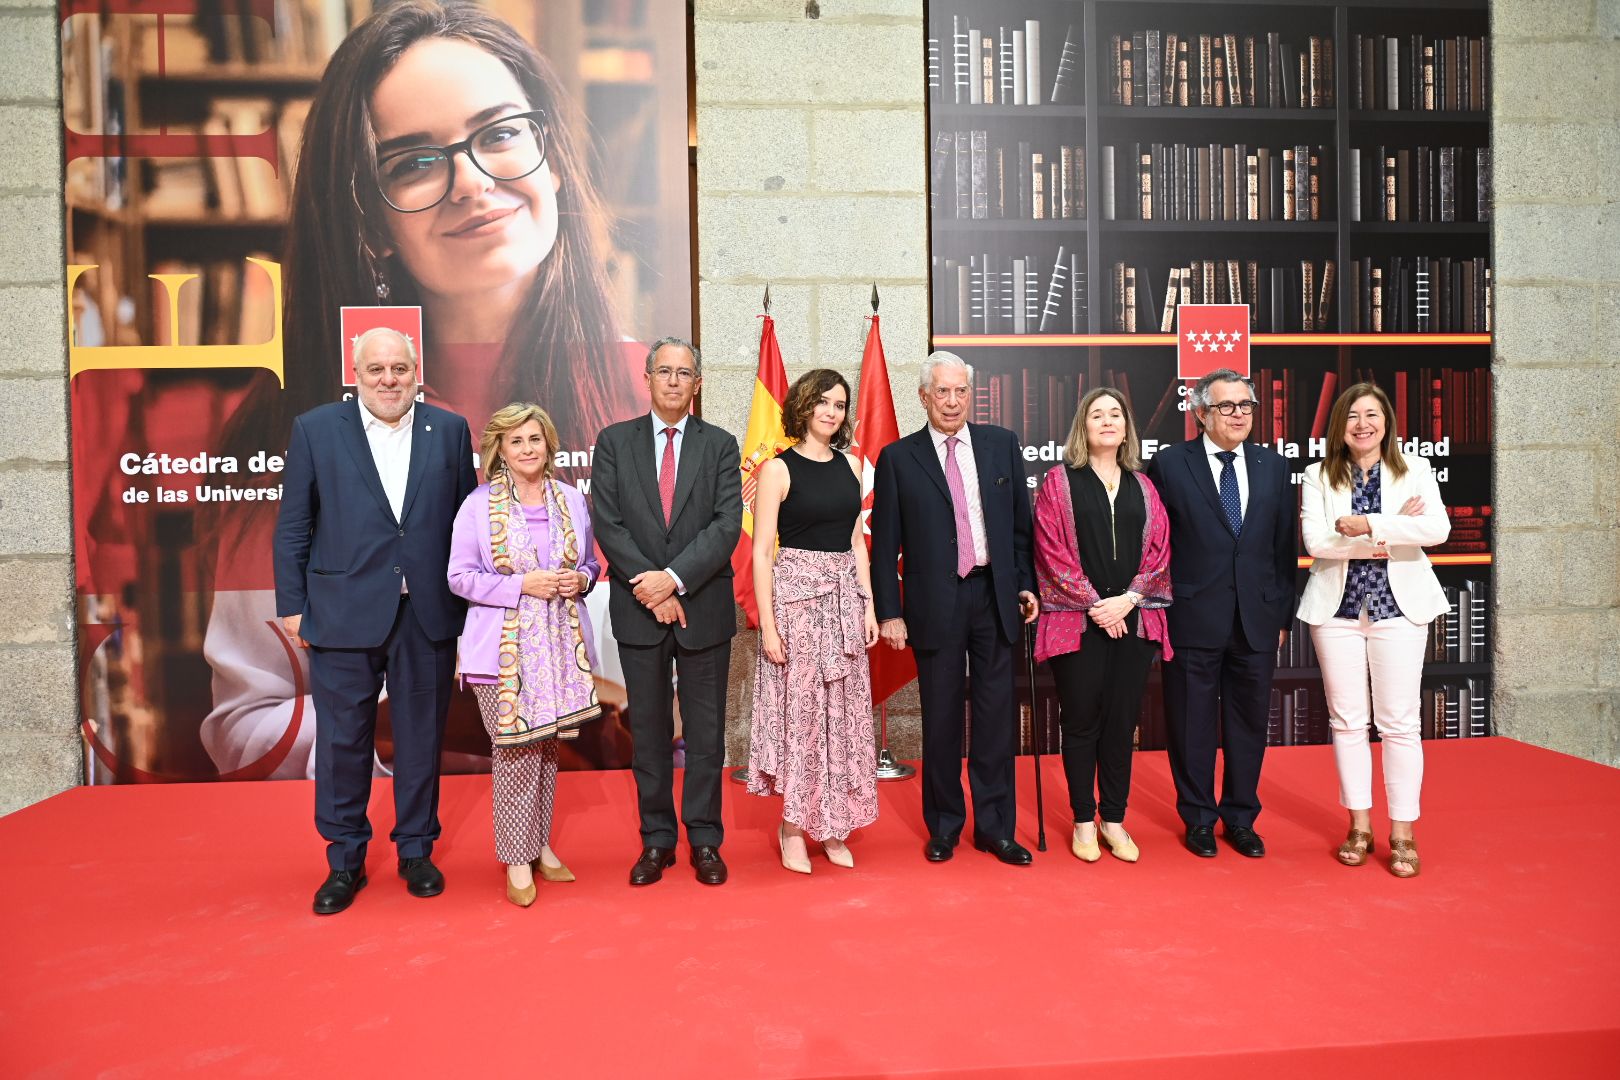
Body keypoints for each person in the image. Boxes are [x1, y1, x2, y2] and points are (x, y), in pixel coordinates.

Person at [203, 0, 644, 780]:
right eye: (412, 162)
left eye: (502, 133)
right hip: (393, 836)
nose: (472, 183)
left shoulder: (649, 399)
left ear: (552, 153)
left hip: (600, 839)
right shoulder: (294, 430)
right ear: (368, 218)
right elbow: (242, 724)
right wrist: (415, 717)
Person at [274, 322, 477, 915]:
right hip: (340, 614)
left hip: (427, 615)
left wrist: (467, 609)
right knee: (342, 742)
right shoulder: (316, 430)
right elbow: (293, 525)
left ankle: (416, 850)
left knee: (420, 741)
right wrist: (292, 606)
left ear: (416, 372)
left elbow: (466, 527)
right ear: (354, 374)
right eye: (375, 370)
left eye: (399, 369)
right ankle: (344, 861)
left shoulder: (450, 430)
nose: (388, 380)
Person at [871, 351, 1040, 866]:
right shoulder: (899, 458)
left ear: (971, 394)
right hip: (933, 604)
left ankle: (996, 829)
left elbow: (1019, 528)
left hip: (994, 598)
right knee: (941, 721)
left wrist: (1027, 584)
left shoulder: (1001, 445)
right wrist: (889, 612)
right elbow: (884, 546)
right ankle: (944, 826)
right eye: (941, 392)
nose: (951, 401)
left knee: (995, 721)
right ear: (923, 397)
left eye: (960, 391)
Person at [590, 338, 742, 886]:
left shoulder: (721, 445)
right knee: (649, 732)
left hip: (703, 606)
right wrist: (652, 589)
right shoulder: (613, 442)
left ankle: (704, 838)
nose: (674, 381)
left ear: (697, 383)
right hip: (638, 609)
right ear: (647, 378)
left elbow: (726, 525)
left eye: (684, 373)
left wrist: (674, 580)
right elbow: (608, 523)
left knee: (705, 734)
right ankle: (656, 840)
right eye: (664, 371)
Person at [448, 403, 603, 907]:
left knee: (546, 749)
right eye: (516, 441)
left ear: (549, 442)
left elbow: (590, 563)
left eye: (534, 438)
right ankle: (516, 859)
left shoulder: (570, 500)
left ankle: (539, 845)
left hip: (561, 648)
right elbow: (459, 577)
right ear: (500, 450)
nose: (527, 449)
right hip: (499, 654)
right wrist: (522, 585)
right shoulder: (478, 504)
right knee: (515, 751)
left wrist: (580, 579)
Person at [1298, 382, 1450, 879]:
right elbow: (1317, 543)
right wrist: (1390, 532)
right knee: (1346, 721)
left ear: (1387, 422)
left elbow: (1437, 530)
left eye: (1372, 415)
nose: (1362, 424)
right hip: (1336, 613)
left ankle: (1402, 833)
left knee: (1400, 724)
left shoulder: (1416, 471)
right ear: (1339, 426)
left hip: (1399, 610)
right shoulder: (1318, 474)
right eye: (1352, 416)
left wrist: (1367, 524)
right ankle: (1358, 826)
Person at [1145, 368, 1296, 859]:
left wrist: (1281, 616)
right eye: (1227, 406)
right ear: (1200, 413)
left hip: (1256, 619)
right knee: (1191, 724)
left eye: (1246, 406)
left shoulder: (1273, 466)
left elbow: (1281, 550)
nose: (1239, 415)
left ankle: (1241, 818)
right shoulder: (1169, 465)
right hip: (1190, 616)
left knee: (1249, 723)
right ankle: (1199, 819)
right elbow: (1154, 544)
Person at [746, 370, 879, 874]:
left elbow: (856, 543)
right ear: (802, 407)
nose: (831, 411)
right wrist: (769, 625)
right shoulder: (777, 470)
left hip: (843, 606)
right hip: (797, 609)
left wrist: (866, 605)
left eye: (840, 404)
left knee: (841, 719)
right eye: (822, 402)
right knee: (803, 720)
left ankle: (835, 824)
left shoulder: (850, 465)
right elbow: (762, 554)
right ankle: (794, 827)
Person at [1033, 388, 1172, 864]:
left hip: (1132, 622)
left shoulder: (1143, 486)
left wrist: (1128, 601)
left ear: (1126, 427)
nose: (1108, 421)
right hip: (1079, 622)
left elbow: (1159, 552)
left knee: (1120, 723)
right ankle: (1083, 821)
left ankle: (1114, 818)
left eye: (1116, 414)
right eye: (1097, 414)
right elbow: (1051, 552)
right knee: (1080, 722)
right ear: (1083, 426)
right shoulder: (1059, 482)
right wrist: (1098, 606)